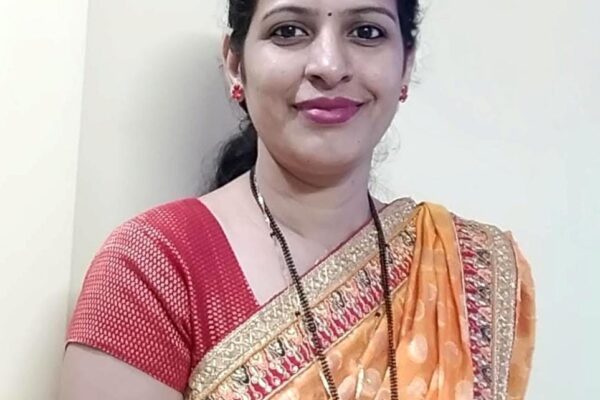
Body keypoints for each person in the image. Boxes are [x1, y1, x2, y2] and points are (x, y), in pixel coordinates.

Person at [59, 0, 536, 399]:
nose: (329, 65)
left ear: (406, 65)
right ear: (235, 64)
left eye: (366, 31)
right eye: (288, 30)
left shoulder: (466, 269)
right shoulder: (152, 269)